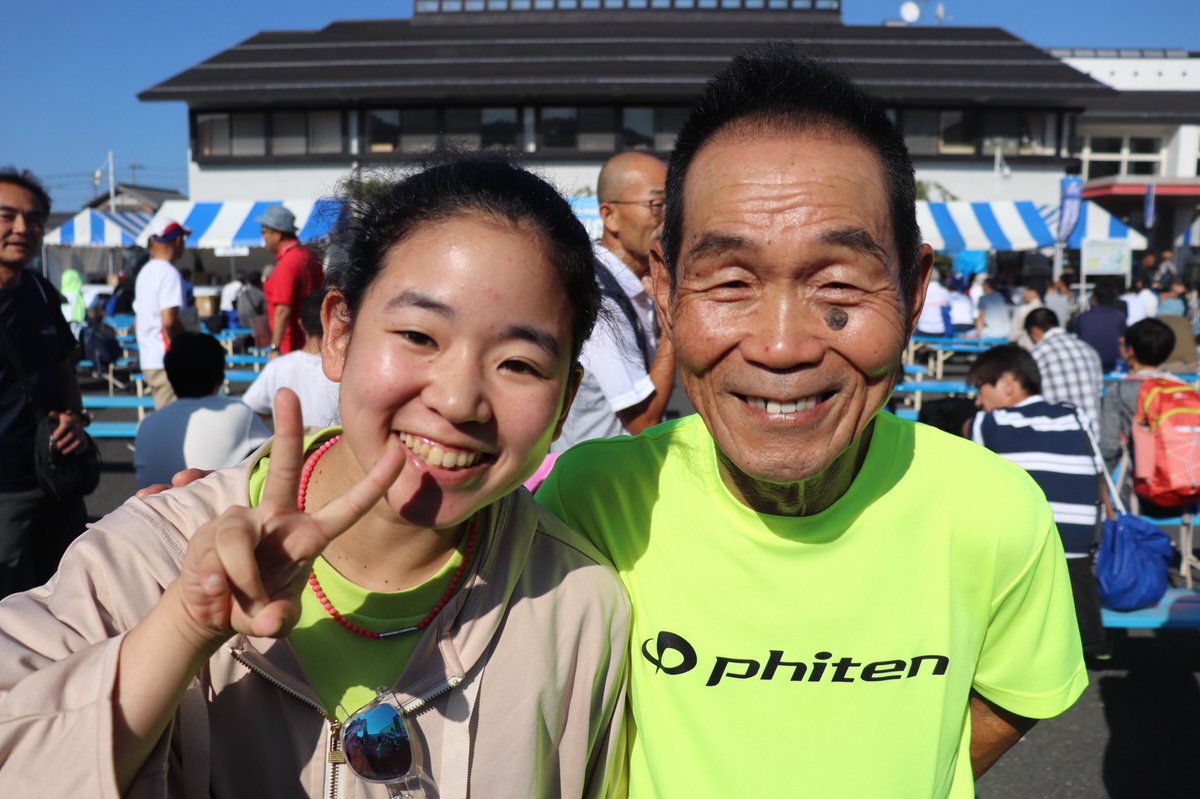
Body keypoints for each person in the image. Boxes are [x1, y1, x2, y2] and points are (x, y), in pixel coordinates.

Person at [539, 46, 1086, 797]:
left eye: (838, 281)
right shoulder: (593, 503)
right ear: (665, 290)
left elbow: (1014, 698)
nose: (783, 346)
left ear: (915, 289)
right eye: (730, 280)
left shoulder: (993, 510)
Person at [0, 159, 630, 797]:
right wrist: (183, 627)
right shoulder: (149, 558)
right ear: (337, 333)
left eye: (519, 364)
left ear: (565, 400)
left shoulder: (581, 609)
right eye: (418, 334)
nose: (460, 400)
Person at [966, 345, 1105, 656]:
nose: (978, 400)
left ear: (1008, 384)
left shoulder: (988, 424)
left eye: (980, 388)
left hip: (1025, 557)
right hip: (1080, 558)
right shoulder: (1076, 416)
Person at [0, 168, 90, 597]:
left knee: (68, 604)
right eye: (7, 216)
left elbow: (62, 369)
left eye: (34, 219)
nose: (22, 228)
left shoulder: (39, 291)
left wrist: (74, 417)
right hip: (5, 496)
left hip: (55, 483)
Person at [552, 152, 675, 452]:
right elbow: (643, 421)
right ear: (609, 216)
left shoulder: (627, 284)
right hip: (593, 488)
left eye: (674, 206)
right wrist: (673, 318)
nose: (668, 220)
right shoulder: (599, 294)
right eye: (657, 205)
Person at [133, 332, 271, 488]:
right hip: (218, 509)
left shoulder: (145, 425)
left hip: (154, 509)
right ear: (221, 376)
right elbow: (274, 455)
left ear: (170, 378)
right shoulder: (240, 414)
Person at [242, 288, 341, 428]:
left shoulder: (277, 367)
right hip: (336, 448)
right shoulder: (346, 371)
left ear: (300, 324)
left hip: (291, 448)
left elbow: (249, 410)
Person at [1099, 317, 1177, 473]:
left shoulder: (1119, 391)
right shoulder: (1182, 387)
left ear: (1131, 351)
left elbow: (1109, 447)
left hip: (1141, 481)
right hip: (1185, 478)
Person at [134, 217, 189, 409]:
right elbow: (169, 321)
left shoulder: (144, 272)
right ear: (177, 240)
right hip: (166, 359)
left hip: (149, 358)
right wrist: (189, 342)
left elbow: (138, 319)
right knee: (175, 426)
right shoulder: (169, 273)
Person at [1025, 307, 1104, 434]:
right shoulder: (1089, 350)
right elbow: (1099, 393)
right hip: (1093, 436)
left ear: (1034, 331)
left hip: (1057, 437)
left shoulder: (1036, 355)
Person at [260, 204, 324, 357]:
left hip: (290, 346)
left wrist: (275, 348)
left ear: (277, 234)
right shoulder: (309, 256)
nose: (263, 238)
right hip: (311, 342)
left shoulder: (288, 263)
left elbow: (283, 310)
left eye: (264, 233)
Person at [1074, 281, 1127, 372]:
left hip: (1087, 363)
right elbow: (1122, 342)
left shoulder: (1083, 318)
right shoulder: (1119, 316)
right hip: (1112, 365)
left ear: (1094, 298)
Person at [1008, 279, 1044, 349]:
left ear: (1034, 293)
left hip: (1025, 351)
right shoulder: (1048, 308)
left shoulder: (1023, 310)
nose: (1025, 294)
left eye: (1026, 291)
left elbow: (1013, 336)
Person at [915, 267, 951, 336]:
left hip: (923, 328)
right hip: (940, 330)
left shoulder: (921, 292)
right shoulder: (944, 292)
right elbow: (950, 307)